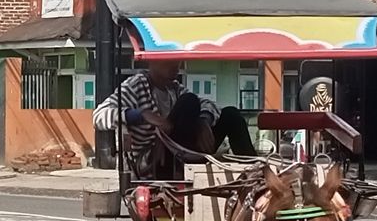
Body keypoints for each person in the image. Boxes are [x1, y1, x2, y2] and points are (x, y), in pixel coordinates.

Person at [93, 60, 257, 178]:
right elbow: (99, 115)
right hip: (154, 163)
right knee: (189, 101)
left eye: (178, 60)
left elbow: (208, 104)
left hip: (184, 151)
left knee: (231, 115)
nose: (176, 65)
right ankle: (178, 170)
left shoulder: (175, 88)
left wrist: (203, 121)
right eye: (170, 60)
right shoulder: (136, 85)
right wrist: (141, 115)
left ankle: (255, 173)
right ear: (152, 61)